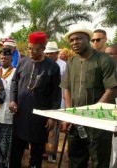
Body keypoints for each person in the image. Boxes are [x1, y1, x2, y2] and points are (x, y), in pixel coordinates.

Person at [61, 24, 117, 168]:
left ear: (88, 39)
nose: (74, 42)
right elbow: (66, 88)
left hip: (98, 122)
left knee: (99, 162)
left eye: (78, 39)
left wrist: (92, 111)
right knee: (75, 160)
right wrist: (69, 114)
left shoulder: (104, 60)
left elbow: (112, 89)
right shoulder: (71, 62)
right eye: (71, 40)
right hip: (76, 122)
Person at [9, 32, 61, 168]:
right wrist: (13, 100)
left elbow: (56, 93)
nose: (31, 51)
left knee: (36, 153)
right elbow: (14, 82)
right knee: (16, 150)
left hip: (40, 115)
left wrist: (52, 117)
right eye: (29, 48)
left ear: (43, 48)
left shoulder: (52, 66)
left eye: (35, 49)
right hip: (20, 113)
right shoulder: (23, 62)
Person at [43, 41, 67, 162]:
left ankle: (52, 154)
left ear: (56, 53)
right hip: (44, 102)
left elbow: (66, 86)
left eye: (50, 54)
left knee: (54, 130)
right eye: (46, 54)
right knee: (44, 128)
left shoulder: (63, 65)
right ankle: (43, 151)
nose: (48, 56)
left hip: (58, 101)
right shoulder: (44, 64)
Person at [0, 48, 16, 167]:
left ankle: (6, 163)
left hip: (8, 112)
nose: (3, 60)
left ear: (11, 59)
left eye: (6, 58)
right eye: (2, 58)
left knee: (7, 141)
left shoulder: (15, 72)